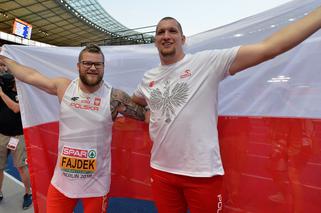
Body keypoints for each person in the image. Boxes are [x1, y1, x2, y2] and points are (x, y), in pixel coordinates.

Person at [132, 6, 321, 213]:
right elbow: (136, 100)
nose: (166, 35)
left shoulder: (207, 62)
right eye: (161, 32)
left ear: (183, 39)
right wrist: (146, 112)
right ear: (155, 40)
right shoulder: (148, 78)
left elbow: (269, 48)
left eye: (172, 31)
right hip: (161, 171)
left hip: (202, 174)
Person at [0, 44, 146, 213]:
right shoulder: (64, 87)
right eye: (87, 63)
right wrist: (4, 58)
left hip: (96, 185)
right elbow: (30, 75)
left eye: (97, 64)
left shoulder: (115, 97)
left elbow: (144, 115)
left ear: (103, 67)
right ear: (78, 66)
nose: (92, 67)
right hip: (62, 182)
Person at [0, 64, 32, 209]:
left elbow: (15, 108)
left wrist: (1, 94)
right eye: (12, 82)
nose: (15, 84)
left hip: (16, 137)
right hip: (2, 135)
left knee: (21, 166)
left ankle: (28, 193)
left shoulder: (19, 95)